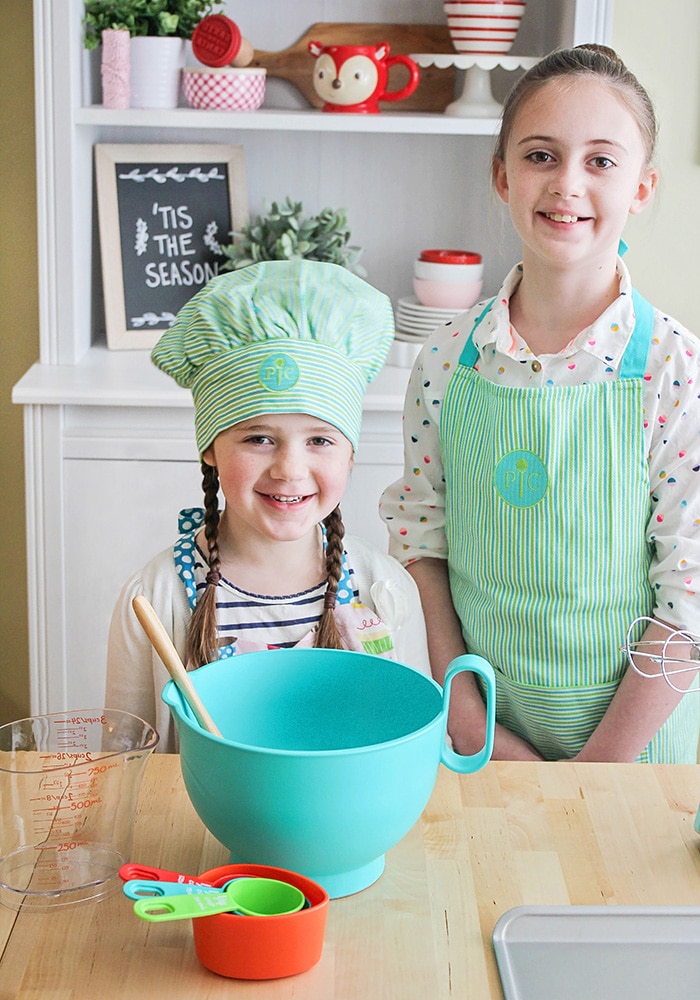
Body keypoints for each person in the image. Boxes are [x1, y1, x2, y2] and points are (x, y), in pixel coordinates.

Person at [380, 44, 700, 763]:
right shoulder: (444, 362)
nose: (568, 184)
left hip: (637, 756)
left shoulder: (673, 370)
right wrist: (467, 715)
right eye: (540, 155)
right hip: (483, 740)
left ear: (642, 188)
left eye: (601, 161)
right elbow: (424, 541)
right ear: (502, 175)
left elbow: (691, 598)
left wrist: (596, 772)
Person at [107, 259, 430, 751]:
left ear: (351, 455)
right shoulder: (155, 599)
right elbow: (126, 759)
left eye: (320, 440)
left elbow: (411, 737)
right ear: (210, 448)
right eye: (259, 438)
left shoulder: (384, 588)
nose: (290, 469)